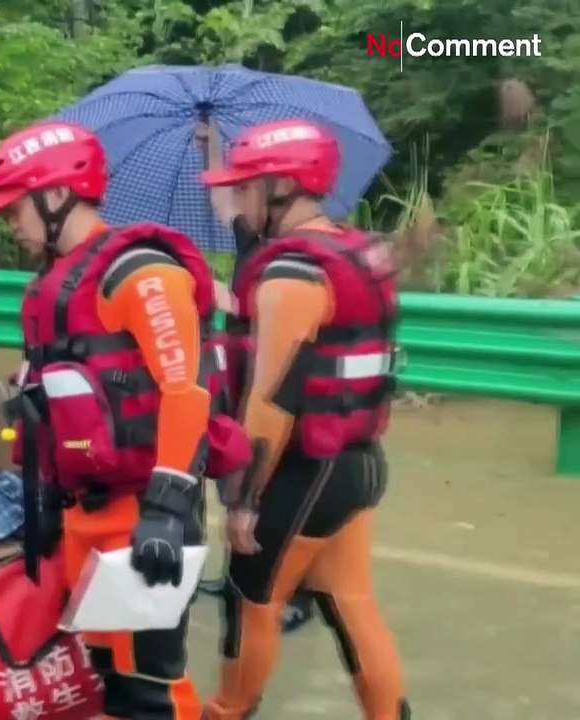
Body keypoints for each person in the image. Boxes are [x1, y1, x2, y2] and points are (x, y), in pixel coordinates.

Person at [0, 121, 248, 720]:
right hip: (81, 515)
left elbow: (185, 392)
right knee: (107, 683)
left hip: (143, 512)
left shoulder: (141, 275)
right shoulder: (53, 282)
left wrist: (169, 510)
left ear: (55, 194)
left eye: (14, 208)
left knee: (151, 687)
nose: (9, 223)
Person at [199, 118, 408, 719]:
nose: (238, 198)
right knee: (350, 602)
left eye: (246, 187)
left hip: (301, 470)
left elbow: (271, 400)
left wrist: (245, 498)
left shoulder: (291, 273)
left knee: (250, 598)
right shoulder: (353, 251)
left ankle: (226, 711)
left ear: (282, 187)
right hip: (355, 461)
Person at [196, 118, 318, 634]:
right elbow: (222, 201)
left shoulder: (295, 257)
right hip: (241, 376)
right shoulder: (254, 240)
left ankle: (296, 594)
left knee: (278, 486)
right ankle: (237, 575)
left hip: (278, 380)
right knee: (236, 480)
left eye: (251, 186)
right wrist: (213, 149)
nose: (241, 197)